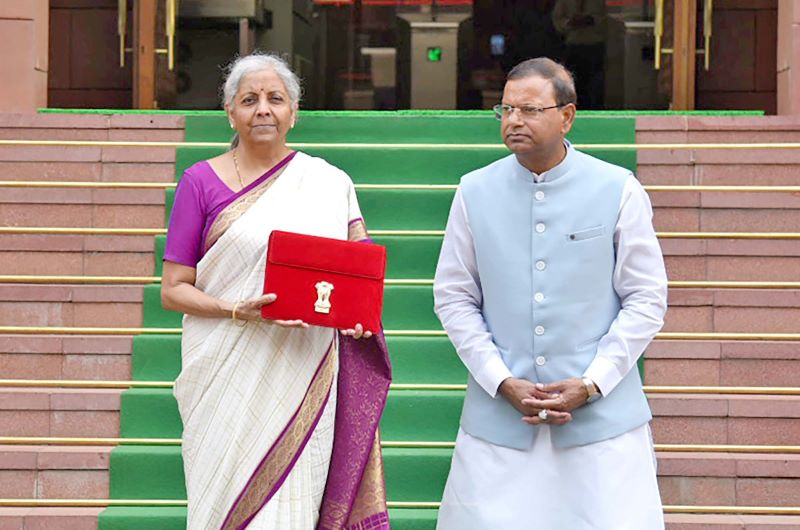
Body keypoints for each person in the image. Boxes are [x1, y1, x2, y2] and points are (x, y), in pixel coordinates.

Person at [433, 57, 667, 529]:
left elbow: (646, 298)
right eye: (506, 109)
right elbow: (454, 296)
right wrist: (500, 379)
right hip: (499, 420)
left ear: (567, 116)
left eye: (530, 109)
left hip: (602, 424)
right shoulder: (474, 191)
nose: (514, 120)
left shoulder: (618, 188)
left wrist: (593, 382)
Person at [161, 52, 391, 530]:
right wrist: (234, 310)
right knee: (220, 501)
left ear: (294, 112)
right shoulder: (200, 182)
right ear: (231, 113)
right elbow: (173, 290)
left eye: (275, 99)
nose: (263, 109)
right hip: (224, 366)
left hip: (305, 368)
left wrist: (356, 316)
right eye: (249, 100)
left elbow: (358, 278)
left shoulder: (329, 183)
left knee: (295, 504)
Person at [552, 0, 607, 109]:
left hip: (594, 45)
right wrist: (570, 22)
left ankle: (595, 110)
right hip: (573, 45)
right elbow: (557, 19)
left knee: (595, 84)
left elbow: (604, 17)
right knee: (574, 82)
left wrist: (590, 20)